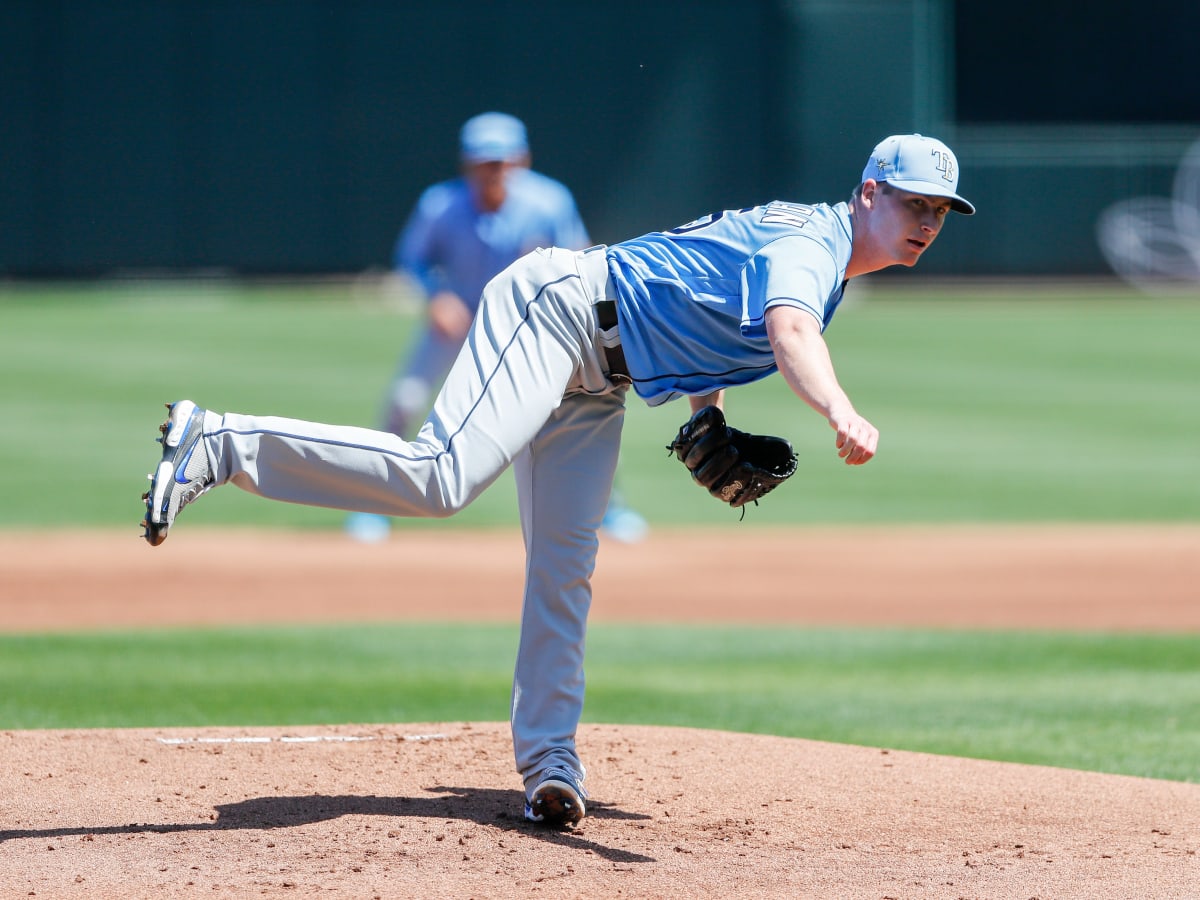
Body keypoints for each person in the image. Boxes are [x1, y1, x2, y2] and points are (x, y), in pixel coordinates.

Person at [140, 133, 973, 829]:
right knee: (442, 476)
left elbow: (706, 298)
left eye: (938, 211)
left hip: (597, 378)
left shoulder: (816, 247)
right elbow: (787, 330)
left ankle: (548, 765)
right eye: (913, 203)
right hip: (558, 313)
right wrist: (838, 409)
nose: (926, 223)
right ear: (868, 193)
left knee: (567, 561)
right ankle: (219, 443)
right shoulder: (812, 248)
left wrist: (706, 414)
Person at [345, 111, 648, 544]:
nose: (494, 171)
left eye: (502, 161)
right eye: (484, 161)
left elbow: (581, 260)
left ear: (521, 160)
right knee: (404, 400)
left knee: (584, 408)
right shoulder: (441, 204)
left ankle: (612, 509)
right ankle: (371, 508)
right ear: (467, 164)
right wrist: (437, 295)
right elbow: (412, 258)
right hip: (459, 322)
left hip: (532, 327)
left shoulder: (548, 202)